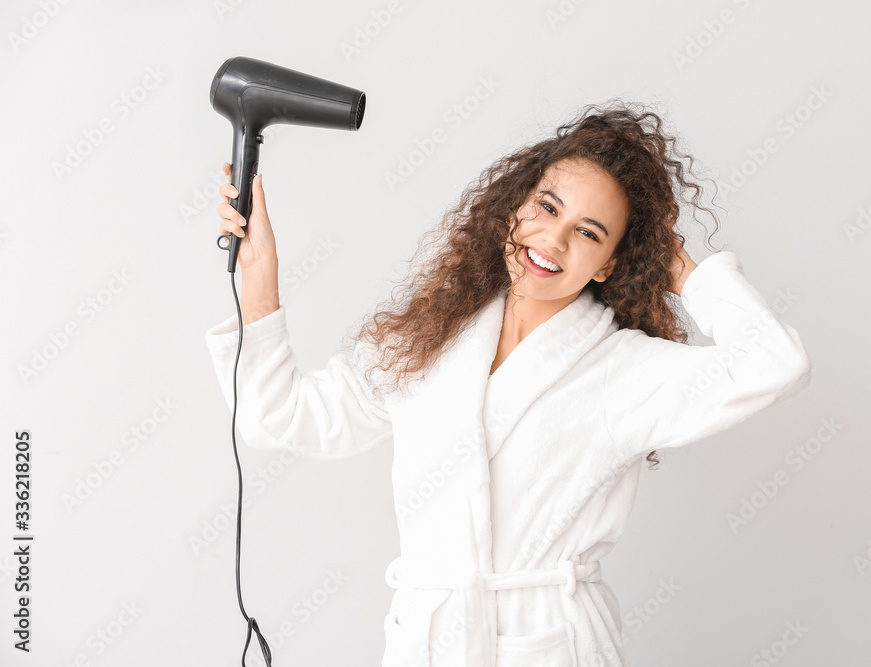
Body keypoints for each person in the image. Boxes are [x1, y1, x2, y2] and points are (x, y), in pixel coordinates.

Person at [205, 101, 812, 667]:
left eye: (589, 232)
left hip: (547, 643)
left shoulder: (623, 371)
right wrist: (260, 275)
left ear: (609, 264)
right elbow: (278, 417)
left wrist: (689, 275)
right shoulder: (431, 334)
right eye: (547, 208)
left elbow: (774, 363)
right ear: (515, 206)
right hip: (427, 642)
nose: (553, 240)